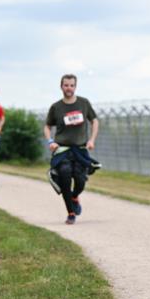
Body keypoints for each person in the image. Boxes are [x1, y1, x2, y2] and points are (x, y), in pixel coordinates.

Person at [44, 74, 99, 225]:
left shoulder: (83, 103)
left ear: (75, 86)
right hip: (62, 150)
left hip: (80, 150)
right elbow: (47, 126)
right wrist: (50, 141)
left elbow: (94, 121)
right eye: (66, 85)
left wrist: (92, 140)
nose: (69, 88)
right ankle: (71, 213)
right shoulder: (56, 107)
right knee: (65, 178)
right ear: (61, 86)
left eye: (72, 85)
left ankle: (75, 196)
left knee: (80, 181)